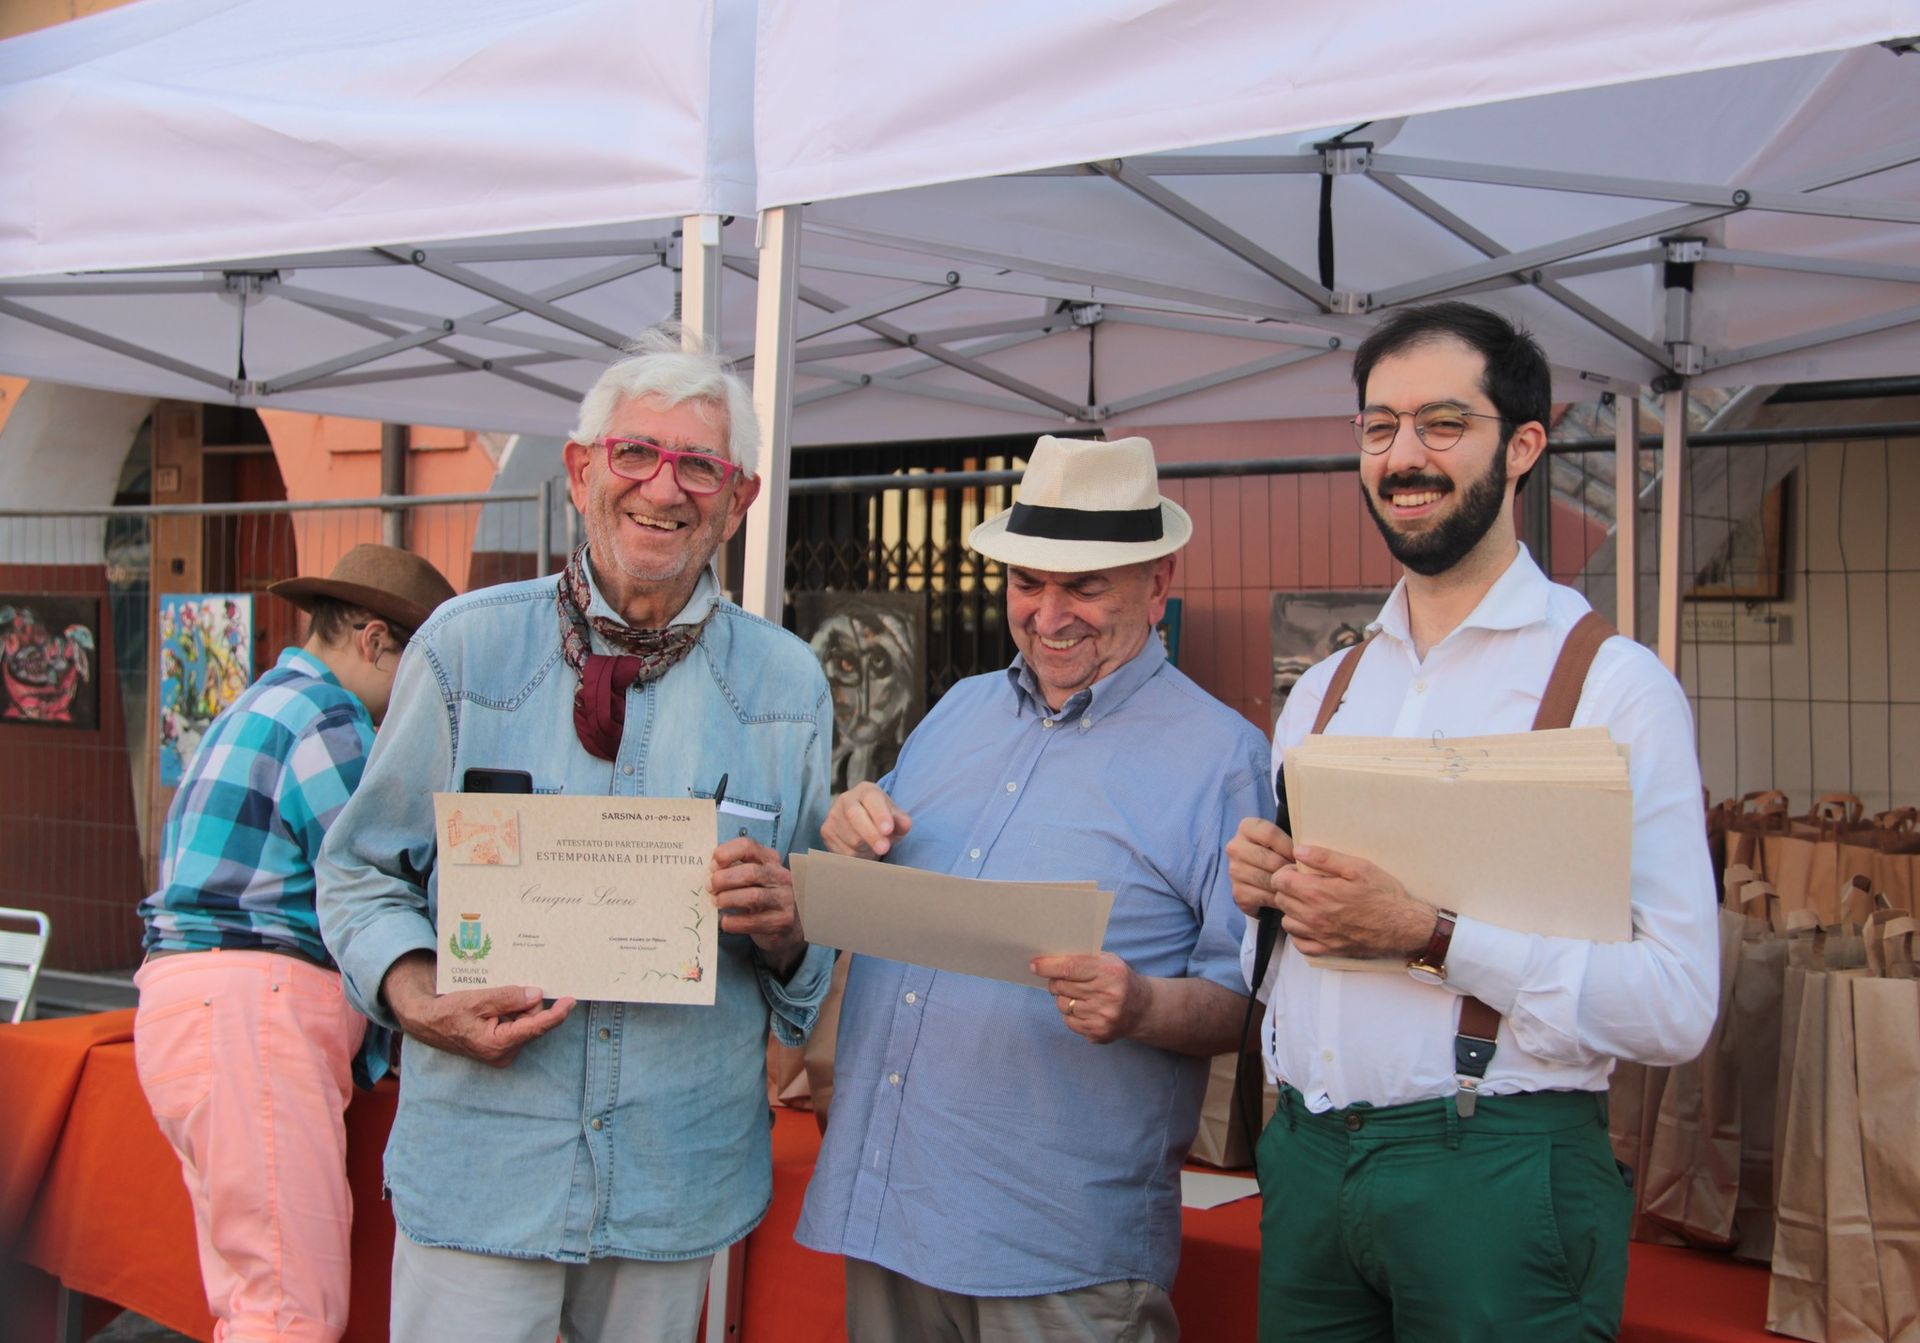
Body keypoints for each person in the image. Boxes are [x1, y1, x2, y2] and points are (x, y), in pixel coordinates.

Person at [316, 328, 835, 1343]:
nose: (664, 487)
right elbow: (358, 872)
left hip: (674, 1171)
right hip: (485, 1162)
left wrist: (788, 927)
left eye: (700, 466)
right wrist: (416, 995)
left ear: (738, 500)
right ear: (581, 471)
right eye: (636, 453)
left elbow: (811, 951)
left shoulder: (786, 685)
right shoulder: (466, 649)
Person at [1225, 301, 1719, 1341]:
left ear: (1524, 445)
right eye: (1379, 427)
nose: (1404, 455)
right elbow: (1272, 974)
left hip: (1497, 1172)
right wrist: (1265, 898)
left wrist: (1432, 935)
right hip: (1308, 1163)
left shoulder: (1615, 689)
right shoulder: (1323, 694)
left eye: (1443, 423)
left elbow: (1676, 1006)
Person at [797, 435, 1273, 1342]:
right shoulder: (959, 710)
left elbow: (1247, 1002)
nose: (1048, 614)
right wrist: (849, 825)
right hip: (891, 1206)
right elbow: (876, 871)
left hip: (1058, 1243)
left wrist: (1140, 1005)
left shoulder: (1225, 759)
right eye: (1027, 582)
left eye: (1083, 586)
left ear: (1158, 585)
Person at [134, 542, 456, 1343]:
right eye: (422, 673)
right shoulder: (330, 719)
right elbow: (376, 875)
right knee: (289, 1309)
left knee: (256, 1299)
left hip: (193, 1000)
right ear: (374, 641)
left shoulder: (256, 704)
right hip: (254, 1008)